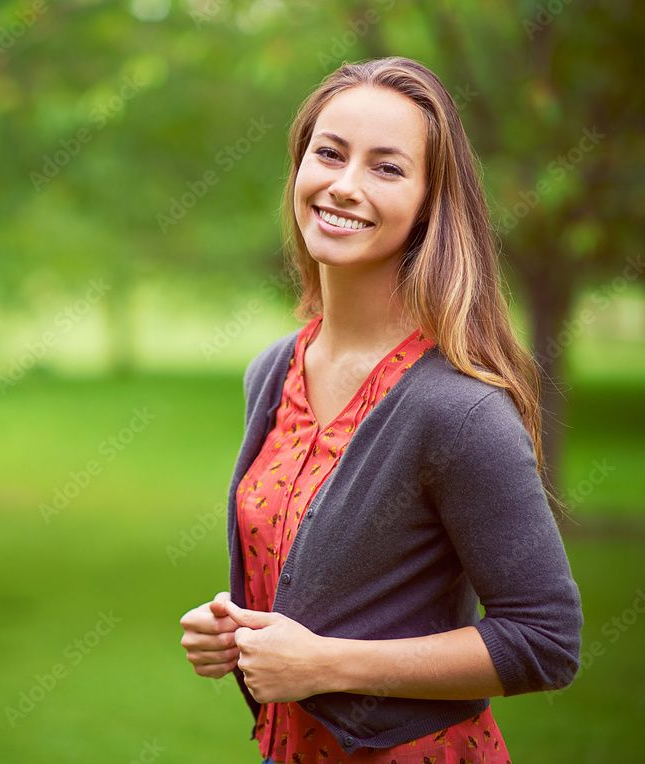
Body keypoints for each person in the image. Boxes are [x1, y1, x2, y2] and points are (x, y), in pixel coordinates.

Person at [178, 57, 582, 763]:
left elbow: (545, 641)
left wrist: (326, 663)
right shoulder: (274, 372)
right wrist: (241, 628)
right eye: (328, 154)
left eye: (387, 168)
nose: (344, 185)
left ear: (430, 202)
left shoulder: (457, 412)